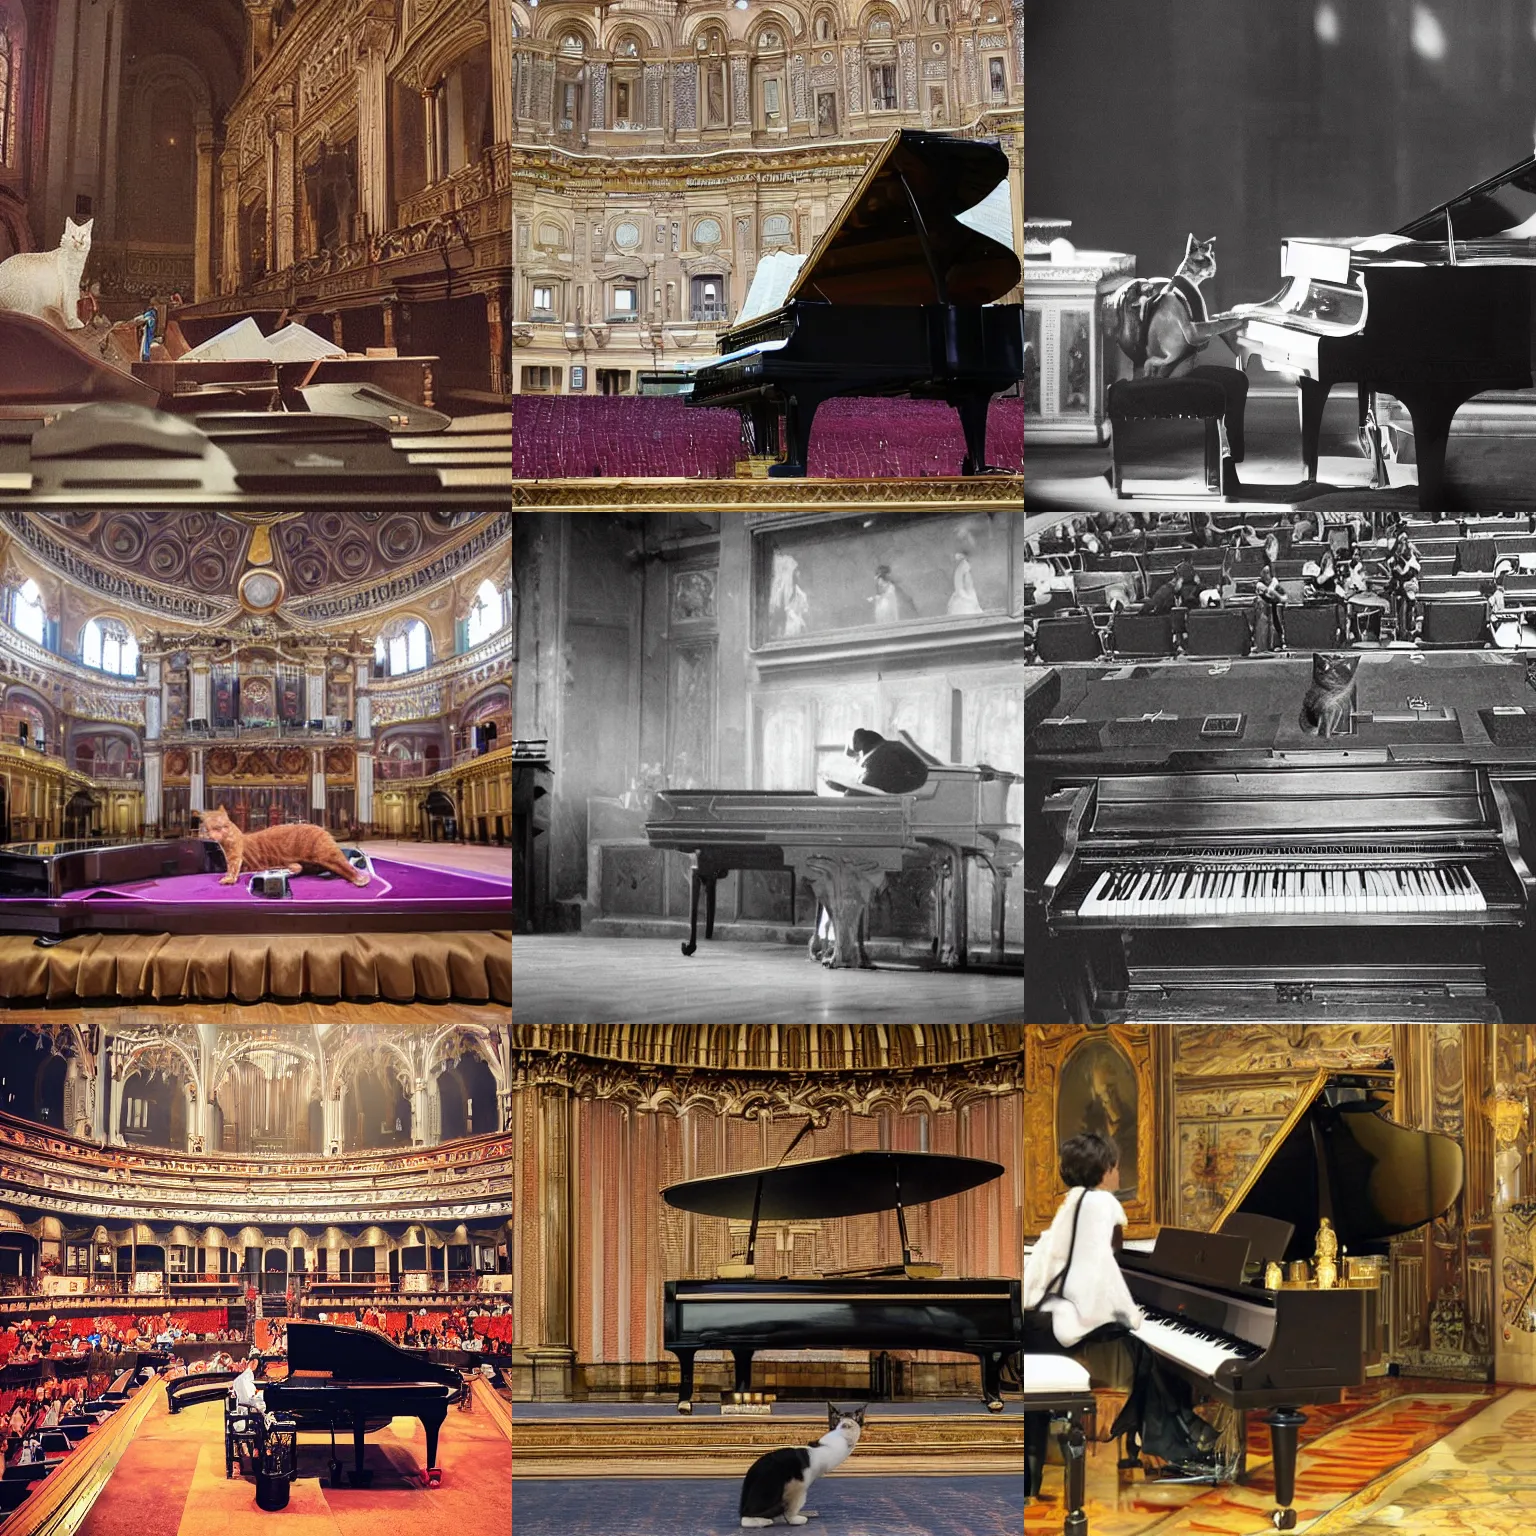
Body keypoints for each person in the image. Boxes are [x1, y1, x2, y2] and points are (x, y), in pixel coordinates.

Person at [1023, 1134, 1221, 1502]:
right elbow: (1102, 1268)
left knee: (1143, 1349)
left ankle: (1157, 1433)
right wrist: (1134, 1315)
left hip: (1039, 1319)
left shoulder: (1072, 1201)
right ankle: (1175, 1441)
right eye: (1115, 1166)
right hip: (1060, 1322)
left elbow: (1054, 1258)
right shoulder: (1101, 1203)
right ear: (1104, 1170)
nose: (1118, 1173)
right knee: (1146, 1347)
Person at [1252, 561, 1287, 651]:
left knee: (1276, 618)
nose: (1267, 575)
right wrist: (1277, 595)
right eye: (1264, 573)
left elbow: (1284, 597)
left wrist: (1279, 597)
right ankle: (1262, 645)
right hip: (1264, 608)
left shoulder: (1275, 582)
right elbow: (1269, 594)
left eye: (1268, 573)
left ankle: (1277, 644)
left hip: (1275, 607)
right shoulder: (1259, 584)